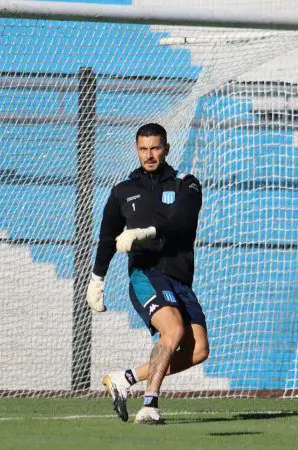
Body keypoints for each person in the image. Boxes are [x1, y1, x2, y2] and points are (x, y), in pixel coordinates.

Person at [85, 123, 209, 425]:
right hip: (147, 273)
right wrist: (96, 279)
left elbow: (183, 223)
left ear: (165, 148)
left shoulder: (186, 184)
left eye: (155, 148)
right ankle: (150, 404)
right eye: (143, 149)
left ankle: (124, 379)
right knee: (173, 330)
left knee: (199, 351)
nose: (149, 155)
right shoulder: (123, 191)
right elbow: (106, 238)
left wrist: (146, 232)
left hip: (179, 277)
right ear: (137, 149)